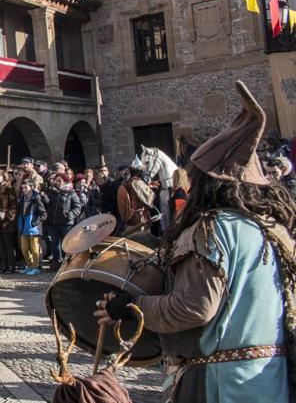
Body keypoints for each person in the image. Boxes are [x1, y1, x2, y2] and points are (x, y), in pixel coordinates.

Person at [95, 81, 295, 402]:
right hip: (271, 379)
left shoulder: (212, 228)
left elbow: (194, 307)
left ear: (206, 183)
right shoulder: (275, 228)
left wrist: (132, 307)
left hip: (220, 383)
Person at [44, 172, 82, 270]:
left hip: (66, 223)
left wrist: (70, 215)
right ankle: (57, 263)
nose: (57, 182)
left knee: (67, 244)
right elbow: (48, 204)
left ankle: (69, 264)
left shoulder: (70, 192)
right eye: (56, 180)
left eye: (59, 181)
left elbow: (77, 207)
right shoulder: (52, 191)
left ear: (65, 181)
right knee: (55, 245)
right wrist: (44, 197)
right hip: (53, 222)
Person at [17, 179, 46, 276]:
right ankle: (29, 266)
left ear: (32, 187)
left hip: (34, 228)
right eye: (22, 188)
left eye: (26, 187)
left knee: (34, 249)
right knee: (24, 248)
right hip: (24, 226)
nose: (24, 189)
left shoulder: (36, 198)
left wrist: (35, 223)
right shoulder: (22, 198)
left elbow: (44, 214)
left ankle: (35, 267)